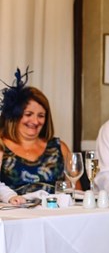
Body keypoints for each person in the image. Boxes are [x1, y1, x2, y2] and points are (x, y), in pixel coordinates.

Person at [0, 68, 75, 196]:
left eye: (41, 115)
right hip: (15, 215)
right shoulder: (1, 146)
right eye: (28, 114)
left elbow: (75, 192)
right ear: (15, 116)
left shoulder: (59, 148)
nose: (35, 121)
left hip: (56, 215)